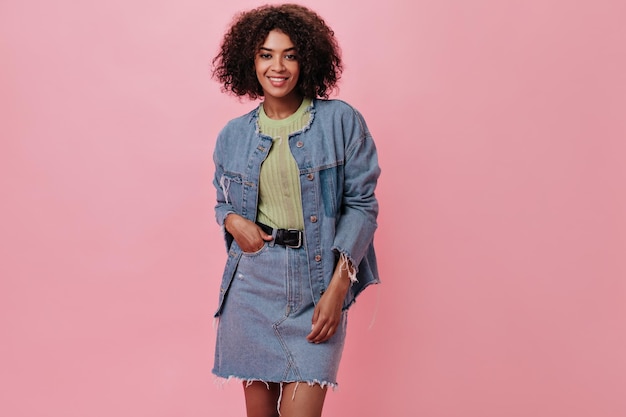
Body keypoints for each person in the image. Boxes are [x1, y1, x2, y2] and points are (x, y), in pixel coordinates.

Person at [210, 4, 380, 417]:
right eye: (266, 54)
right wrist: (232, 221)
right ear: (250, 61)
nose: (278, 66)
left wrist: (338, 288)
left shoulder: (341, 122)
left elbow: (362, 205)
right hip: (252, 287)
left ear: (307, 58)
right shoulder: (232, 135)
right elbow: (222, 200)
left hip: (317, 279)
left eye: (290, 54)